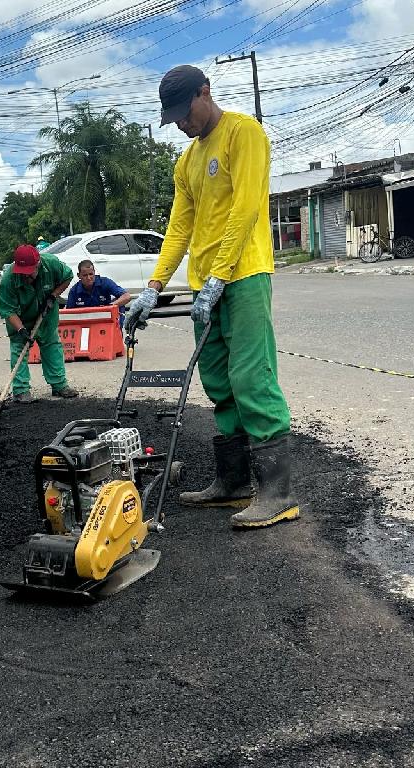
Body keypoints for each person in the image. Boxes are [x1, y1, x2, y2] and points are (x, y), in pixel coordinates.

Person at [125, 64, 298, 530]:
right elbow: (180, 226)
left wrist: (222, 274)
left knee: (251, 376)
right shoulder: (187, 161)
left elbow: (245, 209)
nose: (183, 124)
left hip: (243, 276)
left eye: (186, 113)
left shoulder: (245, 134)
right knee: (218, 380)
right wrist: (154, 287)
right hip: (205, 284)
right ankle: (234, 481)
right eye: (175, 119)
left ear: (207, 92)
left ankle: (277, 494)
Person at [0, 244, 77, 403]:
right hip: (20, 319)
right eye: (23, 274)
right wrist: (21, 330)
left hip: (46, 316)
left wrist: (53, 296)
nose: (26, 277)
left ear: (38, 264)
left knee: (52, 346)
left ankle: (59, 385)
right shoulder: (8, 279)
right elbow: (7, 309)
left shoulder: (51, 264)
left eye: (30, 273)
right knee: (19, 349)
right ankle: (20, 390)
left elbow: (67, 277)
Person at [66, 259, 132, 328]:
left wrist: (110, 306)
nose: (89, 278)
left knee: (119, 305)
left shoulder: (105, 282)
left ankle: (118, 332)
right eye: (85, 275)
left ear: (94, 272)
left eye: (91, 274)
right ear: (79, 275)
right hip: (85, 323)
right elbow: (68, 315)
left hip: (107, 319)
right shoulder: (74, 291)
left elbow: (127, 296)